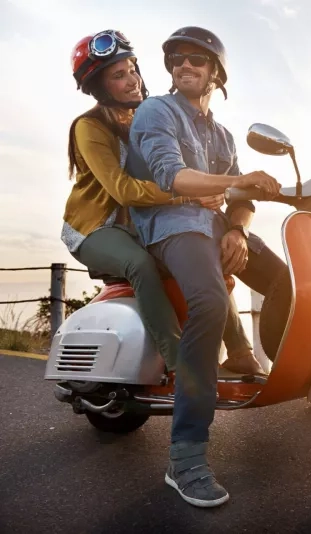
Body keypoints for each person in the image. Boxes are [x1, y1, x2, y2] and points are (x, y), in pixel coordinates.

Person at [125, 26, 292, 508]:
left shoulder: (220, 133)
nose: (184, 66)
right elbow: (173, 176)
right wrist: (238, 181)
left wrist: (237, 228)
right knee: (210, 301)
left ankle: (293, 372)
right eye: (177, 59)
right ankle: (186, 455)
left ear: (216, 72)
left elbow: (240, 201)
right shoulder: (158, 111)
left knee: (284, 282)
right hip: (170, 227)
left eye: (197, 59)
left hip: (214, 226)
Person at [64, 30, 266, 376]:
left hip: (142, 222)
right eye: (118, 76)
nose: (132, 81)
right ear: (99, 87)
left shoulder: (152, 112)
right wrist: (188, 193)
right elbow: (123, 190)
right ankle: (179, 362)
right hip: (98, 228)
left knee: (206, 250)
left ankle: (241, 353)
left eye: (132, 69)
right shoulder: (89, 127)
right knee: (140, 264)